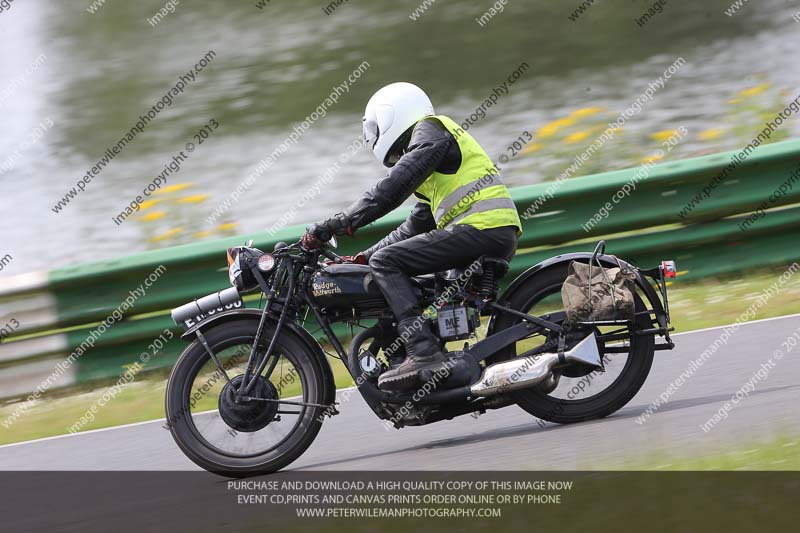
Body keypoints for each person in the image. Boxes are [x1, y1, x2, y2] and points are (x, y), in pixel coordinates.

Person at [302, 82, 521, 391]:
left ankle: (423, 352)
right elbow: (416, 224)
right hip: (487, 231)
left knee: (387, 262)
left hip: (482, 228)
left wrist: (339, 223)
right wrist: (364, 256)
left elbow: (390, 190)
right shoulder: (436, 162)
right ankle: (440, 367)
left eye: (375, 127)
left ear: (392, 114)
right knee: (413, 280)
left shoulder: (431, 131)